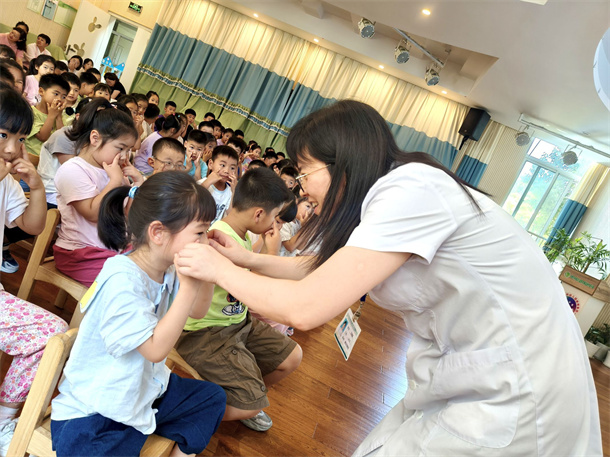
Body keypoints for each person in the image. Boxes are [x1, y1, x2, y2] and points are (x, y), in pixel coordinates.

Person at [175, 100, 603, 456]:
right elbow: (318, 269)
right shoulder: (399, 190)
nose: (302, 188)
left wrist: (220, 268)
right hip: (476, 368)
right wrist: (243, 260)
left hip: (516, 384)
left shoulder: (410, 189)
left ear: (343, 160)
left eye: (305, 171)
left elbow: (306, 306)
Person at [50, 171, 226, 456]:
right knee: (87, 447)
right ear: (158, 233)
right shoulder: (123, 279)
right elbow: (155, 350)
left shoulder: (168, 267)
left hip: (143, 391)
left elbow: (198, 310)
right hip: (95, 409)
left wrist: (207, 273)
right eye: (199, 233)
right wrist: (189, 286)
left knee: (211, 398)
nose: (205, 240)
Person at [176, 167, 301, 433]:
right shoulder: (217, 238)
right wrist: (272, 251)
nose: (275, 225)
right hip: (205, 332)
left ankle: (244, 394)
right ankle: (182, 415)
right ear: (258, 214)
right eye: (275, 217)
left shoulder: (240, 236)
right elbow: (258, 293)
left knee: (292, 357)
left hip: (237, 321)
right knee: (250, 405)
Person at [0, 85, 69, 456]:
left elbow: (33, 225)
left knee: (52, 333)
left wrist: (37, 187)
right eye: (3, 135)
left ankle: (4, 418)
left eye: (21, 138)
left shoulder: (8, 182)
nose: (13, 149)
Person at [53, 106, 142, 286]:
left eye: (128, 150)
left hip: (111, 250)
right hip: (80, 253)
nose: (124, 156)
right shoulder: (73, 169)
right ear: (95, 138)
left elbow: (127, 214)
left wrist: (137, 184)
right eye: (120, 148)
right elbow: (93, 214)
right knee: (129, 284)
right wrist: (114, 181)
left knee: (155, 271)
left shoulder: (114, 171)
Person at [23, 74, 69, 159]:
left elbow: (62, 140)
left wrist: (58, 116)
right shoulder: (31, 112)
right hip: (32, 159)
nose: (59, 99)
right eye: (56, 94)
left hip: (50, 160)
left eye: (63, 97)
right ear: (41, 91)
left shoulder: (62, 116)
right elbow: (42, 137)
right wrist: (51, 116)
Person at [198, 146, 238, 225]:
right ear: (210, 164)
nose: (227, 171)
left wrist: (234, 192)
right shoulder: (202, 184)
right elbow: (190, 201)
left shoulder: (229, 191)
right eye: (222, 165)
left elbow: (230, 214)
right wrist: (208, 182)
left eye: (232, 168)